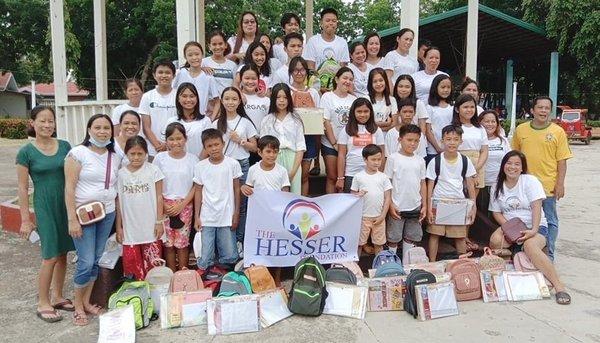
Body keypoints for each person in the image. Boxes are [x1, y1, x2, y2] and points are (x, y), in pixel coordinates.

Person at [488, 151, 571, 305]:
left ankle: (559, 287)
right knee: (495, 241)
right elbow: (496, 212)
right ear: (503, 165)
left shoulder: (530, 181)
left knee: (530, 245)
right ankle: (511, 272)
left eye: (517, 164)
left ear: (522, 168)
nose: (512, 167)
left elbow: (536, 208)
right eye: (509, 163)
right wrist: (510, 229)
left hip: (535, 225)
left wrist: (533, 230)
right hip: (511, 225)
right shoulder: (497, 185)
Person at [16, 106, 75, 323]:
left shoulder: (65, 146)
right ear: (32, 123)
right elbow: (22, 188)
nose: (47, 125)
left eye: (50, 121)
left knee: (62, 254)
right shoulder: (26, 152)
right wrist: (25, 219)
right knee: (50, 255)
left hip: (66, 205)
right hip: (45, 206)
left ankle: (57, 296)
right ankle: (43, 301)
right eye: (42, 121)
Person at [64, 114, 120, 326]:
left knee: (96, 258)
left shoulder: (114, 156)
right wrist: (72, 219)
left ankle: (86, 302)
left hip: (107, 213)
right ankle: (78, 305)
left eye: (106, 127)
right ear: (89, 130)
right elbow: (69, 188)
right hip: (83, 215)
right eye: (97, 127)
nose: (103, 131)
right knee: (85, 261)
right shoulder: (77, 154)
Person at [512, 96, 572, 261]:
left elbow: (562, 161)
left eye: (547, 108)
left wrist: (560, 184)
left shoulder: (557, 132)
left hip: (547, 186)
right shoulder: (521, 130)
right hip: (524, 186)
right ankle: (523, 256)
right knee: (525, 220)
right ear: (532, 110)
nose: (543, 111)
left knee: (550, 222)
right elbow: (514, 157)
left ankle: (549, 256)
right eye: (540, 107)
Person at [241, 135, 291, 285]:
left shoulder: (282, 171)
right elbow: (248, 188)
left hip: (276, 217)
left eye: (275, 152)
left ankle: (276, 279)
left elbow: (286, 192)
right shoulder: (253, 170)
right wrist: (244, 188)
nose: (271, 155)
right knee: (261, 247)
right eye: (268, 151)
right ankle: (261, 279)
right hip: (258, 218)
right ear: (260, 152)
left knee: (276, 247)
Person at [213, 87, 258, 250]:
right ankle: (225, 242)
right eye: (227, 99)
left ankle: (240, 239)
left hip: (242, 165)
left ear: (239, 101)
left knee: (242, 204)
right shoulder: (216, 123)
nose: (230, 102)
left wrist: (240, 140)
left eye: (234, 99)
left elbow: (255, 148)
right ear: (222, 101)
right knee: (225, 203)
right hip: (221, 166)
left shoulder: (245, 122)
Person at [193, 129, 242, 274]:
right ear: (204, 148)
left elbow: (236, 189)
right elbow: (197, 191)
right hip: (207, 216)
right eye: (209, 146)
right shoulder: (200, 166)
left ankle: (226, 279)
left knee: (230, 255)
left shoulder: (232, 164)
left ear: (223, 143)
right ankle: (207, 279)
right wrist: (197, 216)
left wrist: (236, 213)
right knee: (205, 256)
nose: (214, 148)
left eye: (216, 144)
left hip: (227, 215)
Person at [115, 136, 164, 280]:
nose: (136, 157)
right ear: (126, 154)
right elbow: (119, 203)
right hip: (130, 230)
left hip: (151, 227)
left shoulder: (154, 170)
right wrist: (119, 227)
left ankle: (154, 298)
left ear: (146, 154)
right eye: (132, 154)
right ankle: (137, 298)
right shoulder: (121, 174)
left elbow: (159, 197)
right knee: (133, 269)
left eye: (140, 154)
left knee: (154, 268)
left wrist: (159, 222)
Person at [426, 125, 476, 262]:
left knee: (460, 236)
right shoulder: (435, 161)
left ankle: (463, 263)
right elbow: (430, 184)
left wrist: (473, 206)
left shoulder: (465, 161)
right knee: (434, 234)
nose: (452, 142)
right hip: (438, 201)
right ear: (442, 140)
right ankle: (432, 263)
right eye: (448, 139)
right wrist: (429, 207)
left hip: (458, 202)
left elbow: (470, 185)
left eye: (455, 139)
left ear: (461, 141)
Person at [153, 122, 199, 271]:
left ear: (185, 139)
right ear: (166, 141)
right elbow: (155, 184)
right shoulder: (160, 159)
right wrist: (164, 205)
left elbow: (196, 186)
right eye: (171, 139)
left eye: (179, 138)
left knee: (182, 243)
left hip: (185, 205)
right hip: (164, 204)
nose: (175, 142)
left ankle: (183, 275)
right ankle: (171, 274)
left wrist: (183, 204)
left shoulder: (193, 160)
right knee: (168, 244)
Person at [384, 124, 427, 260]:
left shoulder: (420, 160)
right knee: (393, 237)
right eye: (409, 140)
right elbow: (387, 184)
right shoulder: (393, 158)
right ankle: (392, 263)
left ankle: (407, 264)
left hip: (415, 204)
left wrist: (424, 205)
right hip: (397, 205)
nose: (413, 144)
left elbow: (423, 183)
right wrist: (390, 204)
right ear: (400, 139)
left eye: (416, 140)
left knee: (411, 236)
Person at [259, 83, 306, 195]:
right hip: (273, 158)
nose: (281, 101)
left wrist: (293, 171)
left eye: (285, 97)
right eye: (278, 97)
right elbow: (263, 145)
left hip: (292, 159)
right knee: (274, 193)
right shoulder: (267, 120)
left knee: (293, 195)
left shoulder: (296, 120)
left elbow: (300, 147)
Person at [337, 98, 385, 193]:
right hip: (351, 174)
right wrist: (340, 178)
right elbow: (341, 155)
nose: (362, 114)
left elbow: (382, 154)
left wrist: (380, 174)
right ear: (353, 112)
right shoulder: (346, 130)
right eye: (359, 111)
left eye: (366, 111)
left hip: (372, 174)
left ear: (370, 112)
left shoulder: (377, 130)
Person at [351, 144, 392, 256]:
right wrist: (358, 195)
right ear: (365, 159)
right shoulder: (358, 176)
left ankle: (379, 269)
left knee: (379, 244)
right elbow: (352, 197)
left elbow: (387, 197)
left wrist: (383, 215)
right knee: (359, 244)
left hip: (379, 217)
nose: (377, 162)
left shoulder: (383, 177)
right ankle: (356, 269)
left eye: (379, 159)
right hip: (363, 217)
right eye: (373, 159)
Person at [288, 56, 321, 196]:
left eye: (301, 70)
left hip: (308, 137)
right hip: (290, 138)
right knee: (291, 174)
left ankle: (304, 203)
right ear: (291, 72)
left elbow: (318, 116)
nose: (299, 73)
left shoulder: (313, 92)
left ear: (306, 72)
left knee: (304, 175)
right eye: (295, 70)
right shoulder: (286, 90)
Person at [321, 67, 357, 193]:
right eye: (345, 78)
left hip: (348, 145)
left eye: (351, 79)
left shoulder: (353, 99)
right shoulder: (327, 97)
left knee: (343, 178)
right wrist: (334, 143)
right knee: (332, 176)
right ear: (337, 79)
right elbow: (326, 121)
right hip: (330, 144)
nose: (347, 81)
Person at [302, 8, 350, 92]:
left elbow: (343, 69)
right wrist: (317, 88)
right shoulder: (313, 41)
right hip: (316, 89)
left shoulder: (342, 42)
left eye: (334, 21)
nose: (331, 23)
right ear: (321, 23)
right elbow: (310, 68)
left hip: (336, 89)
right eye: (327, 20)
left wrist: (337, 88)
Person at [140, 60, 177, 159]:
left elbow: (181, 122)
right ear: (154, 75)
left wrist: (168, 144)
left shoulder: (179, 95)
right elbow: (146, 127)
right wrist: (157, 145)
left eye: (168, 72)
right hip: (153, 150)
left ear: (173, 75)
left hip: (175, 147)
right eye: (160, 72)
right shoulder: (147, 97)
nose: (164, 75)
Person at [452, 94, 489, 193]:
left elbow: (484, 150)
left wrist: (476, 168)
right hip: (458, 165)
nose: (469, 110)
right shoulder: (453, 128)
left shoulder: (480, 128)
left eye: (472, 107)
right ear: (457, 109)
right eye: (465, 107)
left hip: (477, 165)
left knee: (472, 202)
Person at [173, 41, 220, 119]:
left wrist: (211, 120)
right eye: (190, 55)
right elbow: (171, 92)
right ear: (185, 57)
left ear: (202, 55)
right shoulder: (179, 73)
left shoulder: (208, 77)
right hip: (180, 120)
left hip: (200, 120)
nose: (194, 58)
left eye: (197, 54)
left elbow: (217, 102)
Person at [166, 83, 212, 158]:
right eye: (184, 96)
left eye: (192, 96)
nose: (188, 100)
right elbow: (169, 146)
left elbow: (208, 144)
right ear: (178, 98)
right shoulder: (171, 121)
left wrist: (198, 163)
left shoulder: (205, 121)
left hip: (200, 164)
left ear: (197, 98)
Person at [424, 74, 453, 162]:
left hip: (450, 149)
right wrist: (438, 148)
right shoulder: (430, 108)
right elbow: (428, 130)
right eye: (443, 87)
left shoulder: (453, 107)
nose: (446, 90)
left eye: (448, 87)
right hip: (433, 150)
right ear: (435, 88)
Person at [239, 64, 270, 131]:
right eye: (247, 78)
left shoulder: (266, 100)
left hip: (261, 139)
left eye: (254, 79)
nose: (250, 82)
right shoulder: (236, 99)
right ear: (241, 79)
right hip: (240, 139)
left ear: (258, 80)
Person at [367, 68, 396, 133]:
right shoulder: (366, 99)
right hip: (370, 135)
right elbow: (366, 123)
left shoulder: (392, 100)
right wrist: (386, 123)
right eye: (375, 81)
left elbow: (394, 124)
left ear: (385, 81)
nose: (378, 84)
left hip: (386, 136)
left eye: (381, 80)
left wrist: (377, 129)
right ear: (370, 84)